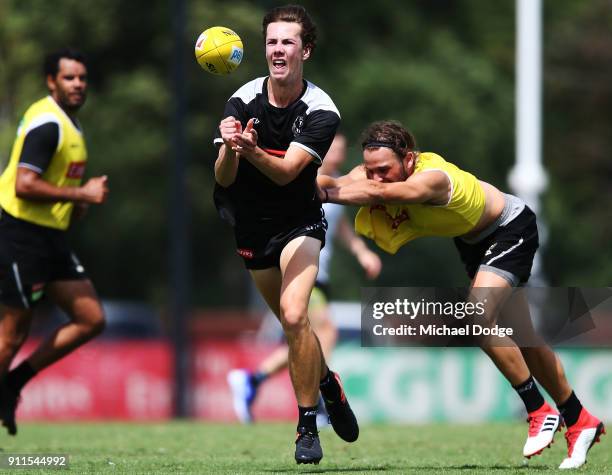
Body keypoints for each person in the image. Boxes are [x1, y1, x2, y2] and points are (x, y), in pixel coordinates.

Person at [319, 120, 605, 470]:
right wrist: (282, 173)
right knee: (523, 338)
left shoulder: (432, 177)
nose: (376, 177)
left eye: (384, 170)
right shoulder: (375, 173)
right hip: (474, 244)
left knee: (476, 317)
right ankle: (580, 420)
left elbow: (375, 194)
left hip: (509, 228)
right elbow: (330, 183)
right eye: (370, 170)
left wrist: (327, 191)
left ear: (409, 160)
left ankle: (537, 409)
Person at [213, 5, 358, 465]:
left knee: (296, 316)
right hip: (251, 226)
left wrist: (251, 149)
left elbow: (286, 174)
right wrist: (231, 149)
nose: (278, 49)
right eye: (272, 41)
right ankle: (328, 381)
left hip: (300, 222)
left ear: (305, 50)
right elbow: (223, 178)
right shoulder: (241, 98)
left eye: (288, 42)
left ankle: (306, 427)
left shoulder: (321, 110)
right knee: (293, 326)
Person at [227, 133, 382, 425]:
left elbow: (339, 225)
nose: (336, 153)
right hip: (299, 268)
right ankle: (317, 404)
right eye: (331, 147)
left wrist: (361, 251)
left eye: (339, 148)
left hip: (320, 273)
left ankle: (253, 380)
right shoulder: (301, 177)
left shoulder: (335, 181)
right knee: (324, 331)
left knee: (306, 338)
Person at [0, 48, 109, 436]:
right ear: (51, 81)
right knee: (11, 336)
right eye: (68, 78)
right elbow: (24, 185)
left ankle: (11, 384)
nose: (78, 84)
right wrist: (82, 196)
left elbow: (52, 182)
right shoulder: (48, 123)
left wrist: (73, 201)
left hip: (49, 237)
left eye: (81, 77)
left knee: (91, 319)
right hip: (20, 234)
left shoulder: (69, 123)